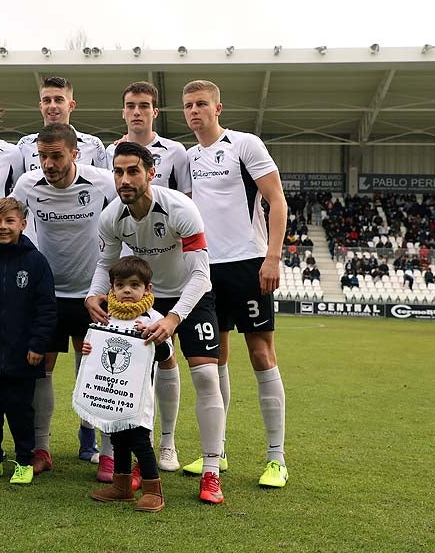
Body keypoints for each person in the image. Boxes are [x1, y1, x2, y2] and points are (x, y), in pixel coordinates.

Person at [85, 142, 227, 504]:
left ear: (151, 173)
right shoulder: (111, 216)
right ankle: (160, 449)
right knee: (138, 377)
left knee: (206, 374)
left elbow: (201, 273)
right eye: (118, 172)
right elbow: (105, 264)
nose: (124, 179)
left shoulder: (180, 208)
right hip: (145, 295)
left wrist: (174, 317)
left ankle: (211, 471)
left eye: (133, 171)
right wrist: (92, 295)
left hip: (191, 293)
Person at [181, 79, 289, 490]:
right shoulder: (188, 157)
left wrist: (272, 256)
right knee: (216, 358)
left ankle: (276, 458)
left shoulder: (245, 144)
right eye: (189, 105)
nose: (195, 111)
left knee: (261, 355)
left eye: (202, 104)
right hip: (207, 269)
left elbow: (277, 200)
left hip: (249, 263)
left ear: (218, 107)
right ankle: (218, 450)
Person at [3, 123, 118, 476]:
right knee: (41, 368)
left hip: (94, 295)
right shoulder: (27, 185)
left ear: (74, 154)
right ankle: (42, 448)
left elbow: (128, 220)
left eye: (56, 156)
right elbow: (7, 222)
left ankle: (109, 454)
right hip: (48, 295)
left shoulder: (102, 182)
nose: (48, 164)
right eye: (42, 156)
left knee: (103, 373)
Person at [0, 198, 56, 485]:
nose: (3, 227)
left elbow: (46, 308)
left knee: (21, 409)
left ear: (23, 224)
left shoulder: (35, 261)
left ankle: (24, 460)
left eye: (9, 221)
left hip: (23, 354)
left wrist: (38, 345)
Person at [84, 256, 172, 512]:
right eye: (120, 284)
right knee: (118, 438)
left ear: (148, 289)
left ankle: (153, 490)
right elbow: (96, 353)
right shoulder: (106, 317)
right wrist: (88, 349)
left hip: (139, 397)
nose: (127, 290)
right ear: (111, 288)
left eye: (134, 285)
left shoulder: (154, 317)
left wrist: (154, 338)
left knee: (140, 440)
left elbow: (166, 355)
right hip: (112, 393)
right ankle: (121, 487)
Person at [105, 81, 190, 192]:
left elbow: (187, 195)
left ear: (155, 112)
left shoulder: (175, 150)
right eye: (130, 106)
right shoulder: (111, 152)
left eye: (144, 106)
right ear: (123, 112)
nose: (136, 112)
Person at [17, 77, 108, 171]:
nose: (52, 106)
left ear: (71, 106)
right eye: (47, 100)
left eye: (58, 100)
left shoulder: (93, 145)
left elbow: (104, 183)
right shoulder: (24, 145)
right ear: (41, 106)